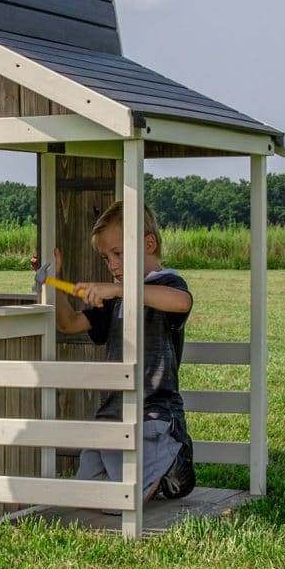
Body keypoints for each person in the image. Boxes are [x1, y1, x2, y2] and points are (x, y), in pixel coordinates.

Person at [53, 201, 195, 502]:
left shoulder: (167, 283)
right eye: (106, 258)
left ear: (149, 243)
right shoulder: (115, 299)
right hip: (112, 416)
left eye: (118, 254)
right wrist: (54, 280)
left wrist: (120, 290)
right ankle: (155, 473)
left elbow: (181, 302)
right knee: (88, 495)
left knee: (121, 504)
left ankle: (173, 460)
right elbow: (68, 324)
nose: (112, 265)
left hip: (154, 416)